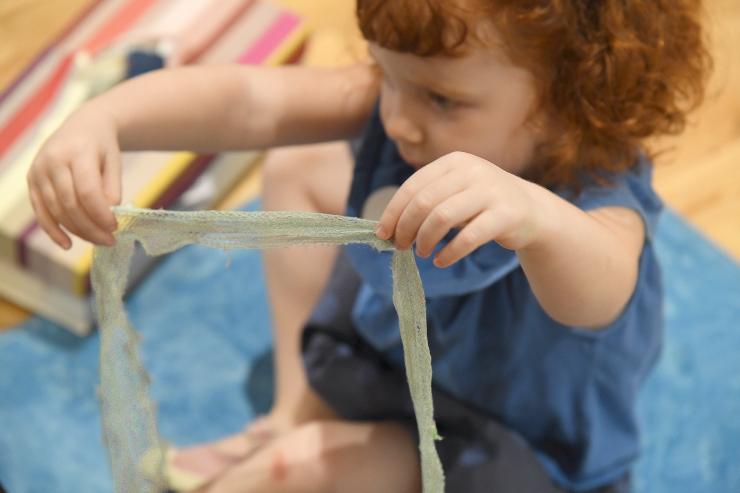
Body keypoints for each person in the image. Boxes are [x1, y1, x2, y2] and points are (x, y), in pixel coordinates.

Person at [27, 0, 710, 492]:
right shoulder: (413, 98)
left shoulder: (599, 194)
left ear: (572, 97)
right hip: (393, 364)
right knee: (301, 165)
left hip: (507, 447)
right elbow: (250, 101)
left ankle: (302, 445)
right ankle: (295, 407)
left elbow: (597, 294)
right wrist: (107, 117)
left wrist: (536, 217)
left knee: (296, 471)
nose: (397, 118)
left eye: (442, 100)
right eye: (386, 75)